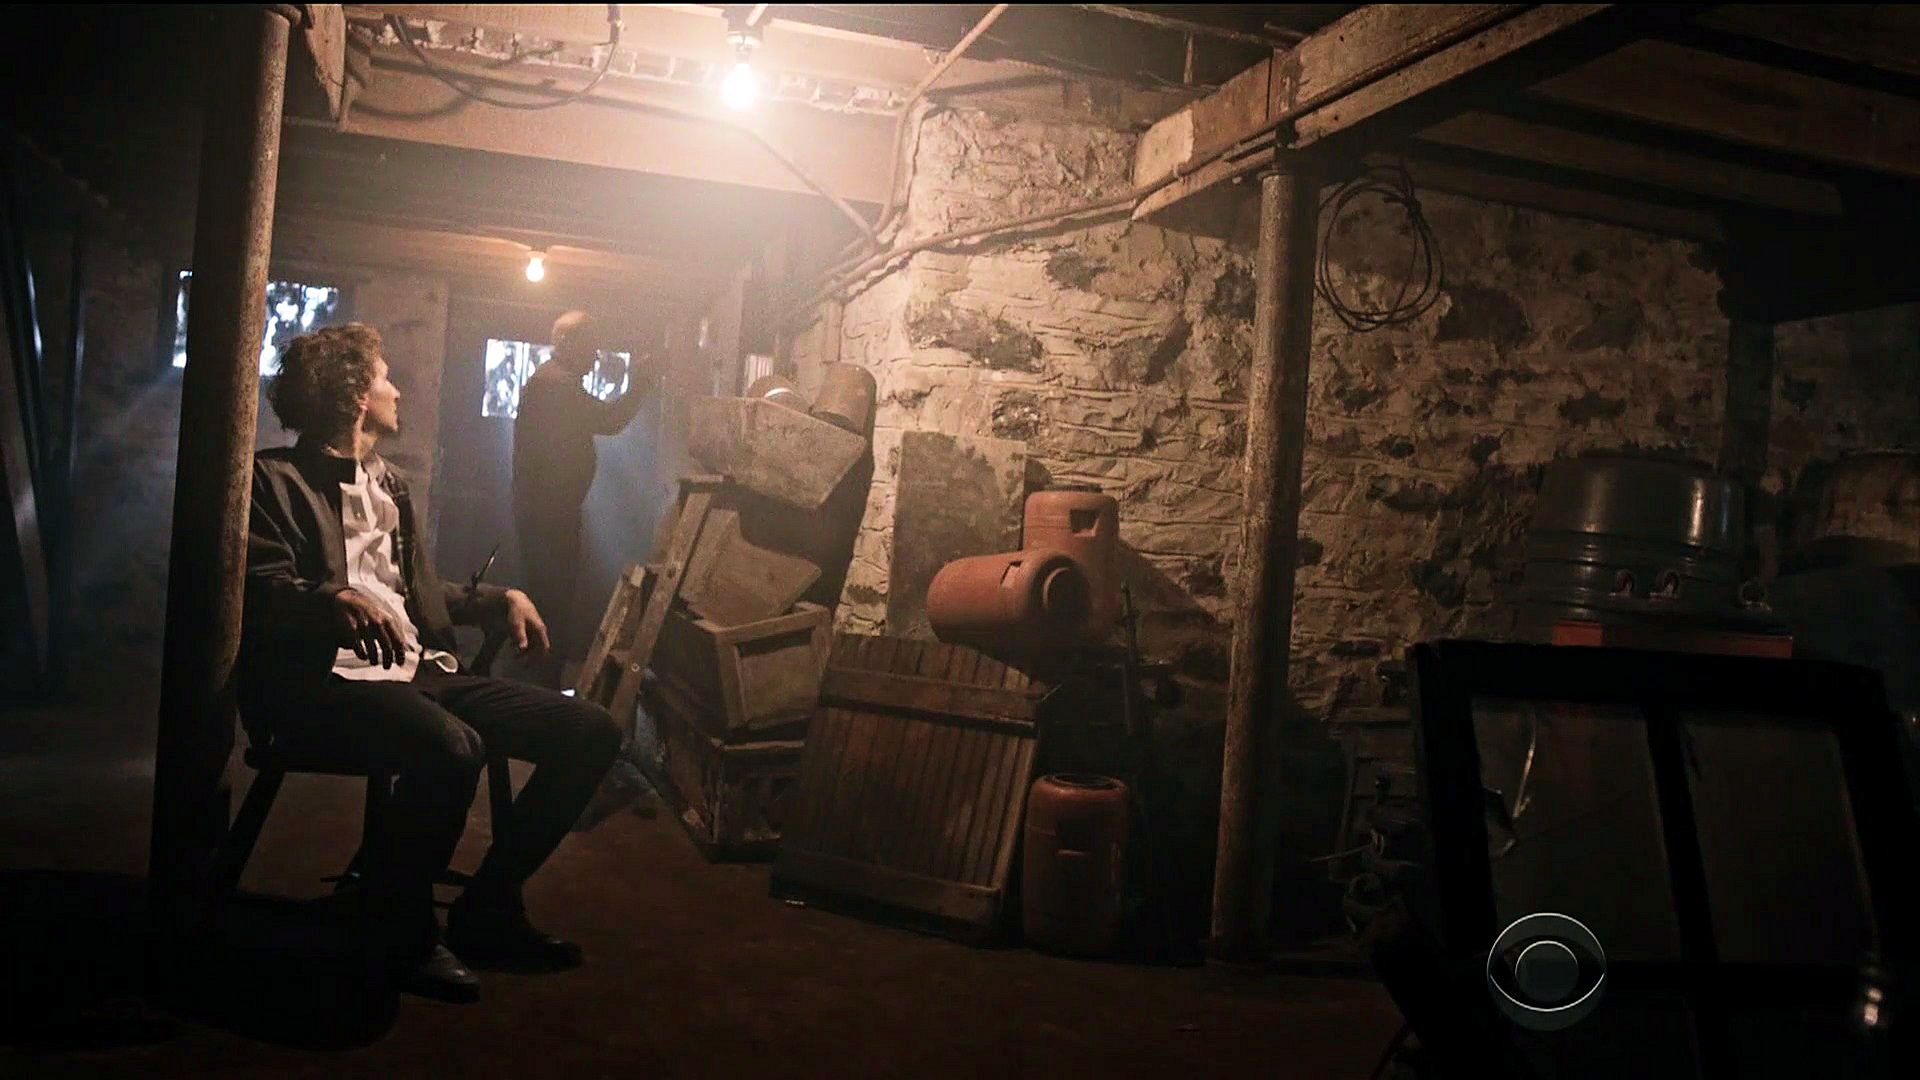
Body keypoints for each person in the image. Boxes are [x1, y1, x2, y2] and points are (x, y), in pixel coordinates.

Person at [240, 323, 624, 1003]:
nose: (398, 391)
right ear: (357, 395)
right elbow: (257, 585)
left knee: (590, 731)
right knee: (452, 748)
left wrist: (501, 597)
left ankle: (489, 906)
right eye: (385, 377)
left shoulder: (390, 483)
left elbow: (416, 592)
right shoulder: (272, 480)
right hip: (324, 683)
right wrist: (332, 600)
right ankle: (403, 927)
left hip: (418, 672)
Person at [511, 310, 650, 686]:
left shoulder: (554, 383)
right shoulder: (554, 386)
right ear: (566, 343)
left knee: (551, 602)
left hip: (548, 515)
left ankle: (540, 683)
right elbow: (610, 420)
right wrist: (641, 383)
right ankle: (541, 690)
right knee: (551, 605)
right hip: (550, 519)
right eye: (591, 345)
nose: (596, 355)